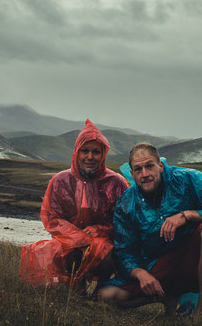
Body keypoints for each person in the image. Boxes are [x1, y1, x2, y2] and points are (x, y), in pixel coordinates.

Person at [97, 143, 202, 318]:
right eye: (138, 169)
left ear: (160, 165)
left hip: (191, 260)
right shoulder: (126, 203)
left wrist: (188, 215)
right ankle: (166, 297)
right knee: (105, 295)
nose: (145, 174)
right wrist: (141, 273)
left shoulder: (187, 179)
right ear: (131, 173)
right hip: (157, 266)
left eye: (149, 166)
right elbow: (124, 250)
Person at [19, 119, 129, 291]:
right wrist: (76, 237)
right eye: (85, 151)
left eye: (96, 152)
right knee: (54, 250)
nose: (90, 157)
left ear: (103, 154)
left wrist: (100, 230)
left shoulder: (116, 182)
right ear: (76, 152)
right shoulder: (60, 180)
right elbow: (51, 218)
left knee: (104, 251)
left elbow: (124, 222)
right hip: (69, 243)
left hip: (104, 244)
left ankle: (101, 289)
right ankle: (77, 288)